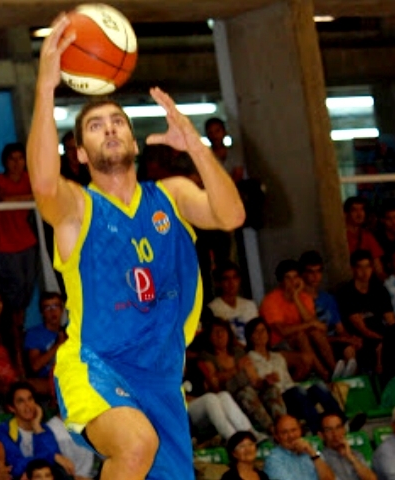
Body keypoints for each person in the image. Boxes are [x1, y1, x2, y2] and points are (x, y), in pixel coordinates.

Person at [27, 14, 245, 480]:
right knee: (135, 444)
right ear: (80, 153)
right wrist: (45, 87)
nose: (109, 130)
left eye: (118, 123)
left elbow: (231, 216)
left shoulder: (173, 195)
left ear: (134, 140)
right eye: (95, 126)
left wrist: (196, 146)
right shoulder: (78, 208)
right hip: (96, 365)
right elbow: (43, 183)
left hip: (163, 375)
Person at [245, 318, 350, 435]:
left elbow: (297, 369)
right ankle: (316, 429)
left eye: (263, 330)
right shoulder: (249, 359)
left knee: (318, 386)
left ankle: (343, 423)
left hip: (294, 393)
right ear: (250, 336)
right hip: (277, 398)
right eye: (256, 332)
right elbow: (254, 384)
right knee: (297, 391)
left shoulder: (277, 356)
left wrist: (297, 381)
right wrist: (266, 381)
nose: (261, 335)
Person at [200, 318, 284, 435]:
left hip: (252, 392)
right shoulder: (207, 356)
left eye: (222, 331)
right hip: (230, 399)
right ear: (209, 337)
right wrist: (235, 370)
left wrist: (266, 381)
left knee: (272, 390)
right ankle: (271, 429)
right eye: (215, 332)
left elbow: (255, 380)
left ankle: (283, 425)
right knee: (246, 392)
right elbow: (214, 382)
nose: (220, 335)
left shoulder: (238, 352)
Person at [260, 259, 338, 381]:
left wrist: (296, 298)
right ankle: (323, 373)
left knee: (315, 333)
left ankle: (336, 370)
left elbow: (316, 325)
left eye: (296, 277)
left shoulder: (304, 297)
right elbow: (283, 331)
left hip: (302, 340)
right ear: (281, 281)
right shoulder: (270, 300)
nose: (293, 282)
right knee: (300, 335)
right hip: (278, 345)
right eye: (288, 278)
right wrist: (310, 324)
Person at [0, 142, 38, 327]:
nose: (17, 163)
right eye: (12, 159)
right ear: (5, 162)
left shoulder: (29, 179)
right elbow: (4, 198)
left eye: (20, 158)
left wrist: (30, 197)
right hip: (3, 242)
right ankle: (11, 329)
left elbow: (43, 195)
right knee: (14, 287)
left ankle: (18, 327)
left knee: (28, 286)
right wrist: (29, 197)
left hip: (25, 239)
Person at [0, 382, 74, 480]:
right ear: (12, 408)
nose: (28, 405)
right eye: (21, 401)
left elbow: (54, 460)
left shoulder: (43, 428)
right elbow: (16, 466)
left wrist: (37, 427)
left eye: (30, 399)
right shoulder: (4, 431)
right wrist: (51, 456)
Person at [299, 251, 359, 378]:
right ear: (303, 274)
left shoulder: (328, 298)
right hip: (315, 344)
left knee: (349, 350)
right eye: (311, 272)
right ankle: (335, 376)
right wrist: (341, 339)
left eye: (318, 271)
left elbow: (340, 328)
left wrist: (350, 338)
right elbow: (309, 335)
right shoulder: (299, 301)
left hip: (334, 340)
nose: (315, 276)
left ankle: (350, 384)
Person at [336, 249, 395, 373]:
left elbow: (391, 320)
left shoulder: (379, 290)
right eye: (360, 267)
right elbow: (362, 329)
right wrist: (386, 339)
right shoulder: (346, 293)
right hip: (360, 338)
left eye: (368, 266)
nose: (365, 272)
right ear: (353, 269)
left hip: (381, 333)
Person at [264, 415, 335, 480]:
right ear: (277, 437)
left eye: (294, 430)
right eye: (284, 432)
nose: (291, 436)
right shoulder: (274, 460)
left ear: (300, 430)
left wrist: (312, 453)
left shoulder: (310, 450)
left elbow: (329, 479)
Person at [208, 262, 259, 345]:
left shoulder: (250, 305)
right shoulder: (212, 309)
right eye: (226, 279)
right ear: (218, 283)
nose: (231, 283)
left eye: (235, 278)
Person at [318, 412, 376, 480]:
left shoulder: (355, 454)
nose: (335, 434)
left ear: (344, 430)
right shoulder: (320, 460)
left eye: (338, 427)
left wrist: (351, 457)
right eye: (329, 430)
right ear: (321, 435)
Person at [24, 292, 66, 378]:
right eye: (47, 307)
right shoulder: (34, 334)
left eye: (56, 306)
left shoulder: (69, 330)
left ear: (62, 309)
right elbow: (35, 366)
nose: (52, 311)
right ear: (42, 312)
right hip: (46, 379)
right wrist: (58, 344)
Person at [344, 197, 385, 280]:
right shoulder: (341, 237)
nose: (359, 214)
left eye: (362, 210)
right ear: (346, 213)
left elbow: (378, 268)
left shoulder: (367, 236)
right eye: (354, 210)